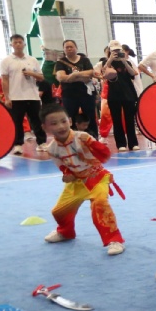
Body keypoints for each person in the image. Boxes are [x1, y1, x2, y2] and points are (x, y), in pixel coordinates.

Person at [39, 103, 125, 255]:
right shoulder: (51, 149)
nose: (60, 126)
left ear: (70, 121)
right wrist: (67, 174)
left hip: (96, 177)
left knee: (100, 204)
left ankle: (114, 240)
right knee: (59, 211)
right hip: (77, 182)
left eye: (63, 121)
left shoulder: (83, 137)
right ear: (45, 127)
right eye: (53, 123)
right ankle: (66, 232)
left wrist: (92, 144)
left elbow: (105, 156)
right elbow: (62, 166)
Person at [1, 34, 48, 153]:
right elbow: (5, 80)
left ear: (24, 44)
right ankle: (18, 145)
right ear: (11, 44)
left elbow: (41, 77)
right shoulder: (6, 61)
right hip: (16, 96)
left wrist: (31, 73)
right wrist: (7, 97)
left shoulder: (32, 60)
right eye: (15, 42)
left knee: (36, 120)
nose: (18, 44)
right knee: (17, 121)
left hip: (32, 96)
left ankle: (42, 142)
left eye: (20, 42)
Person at [99, 40, 141, 152]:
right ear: (110, 51)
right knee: (117, 120)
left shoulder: (127, 62)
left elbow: (133, 74)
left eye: (118, 50)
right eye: (114, 51)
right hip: (114, 95)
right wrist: (111, 59)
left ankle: (133, 143)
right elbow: (103, 72)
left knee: (129, 120)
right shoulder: (106, 62)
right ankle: (121, 144)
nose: (116, 52)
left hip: (128, 94)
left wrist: (125, 61)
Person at [54, 40, 98, 137]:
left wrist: (75, 75)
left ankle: (93, 139)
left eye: (71, 46)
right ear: (64, 49)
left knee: (90, 117)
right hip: (69, 95)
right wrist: (80, 77)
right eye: (67, 47)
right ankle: (70, 139)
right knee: (70, 118)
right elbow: (61, 77)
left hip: (86, 94)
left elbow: (90, 73)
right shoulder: (60, 62)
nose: (69, 49)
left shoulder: (84, 60)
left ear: (76, 48)